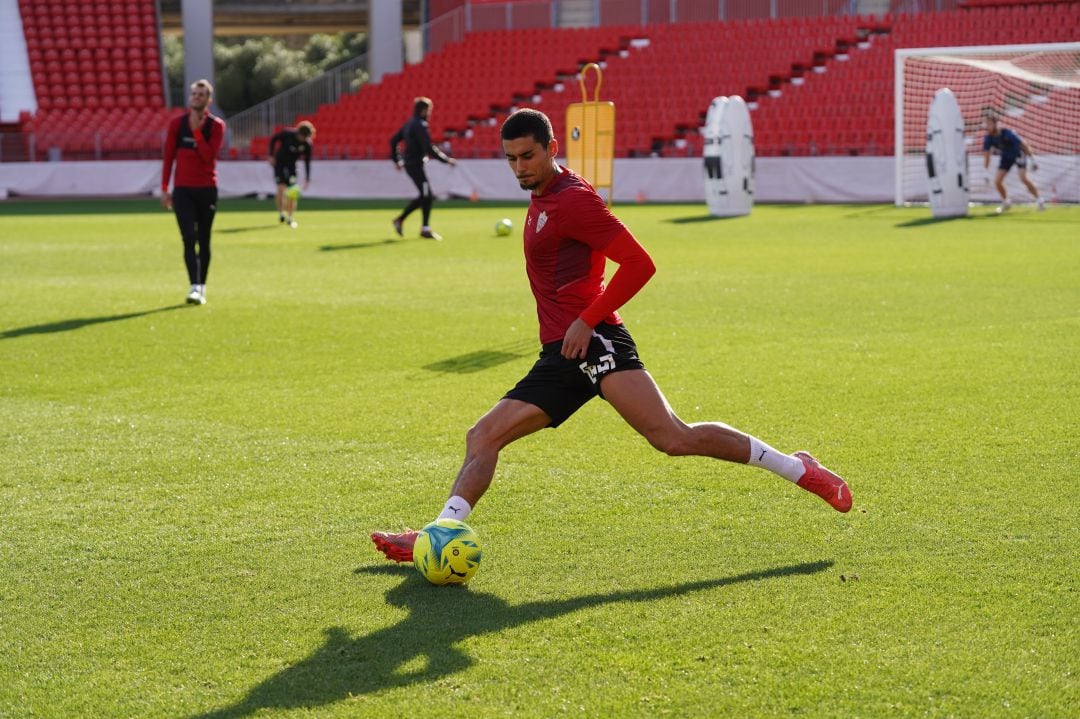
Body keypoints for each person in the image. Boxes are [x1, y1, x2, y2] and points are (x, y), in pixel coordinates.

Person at [371, 108, 852, 564]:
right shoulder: (543, 197)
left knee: (672, 437)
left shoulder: (574, 200)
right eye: (511, 159)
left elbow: (641, 263)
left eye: (529, 156)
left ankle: (797, 468)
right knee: (483, 436)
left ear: (551, 147)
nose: (520, 167)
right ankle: (439, 534)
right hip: (561, 354)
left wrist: (587, 319)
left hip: (595, 340)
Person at [161, 79, 225, 306]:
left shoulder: (216, 126)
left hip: (207, 189)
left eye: (201, 95)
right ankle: (194, 285)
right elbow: (169, 156)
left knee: (204, 239)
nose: (196, 97)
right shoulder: (177, 125)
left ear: (209, 100)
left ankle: (203, 285)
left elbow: (209, 157)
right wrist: (164, 188)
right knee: (188, 237)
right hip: (183, 190)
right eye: (194, 94)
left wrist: (198, 134)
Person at [389, 97, 456, 241]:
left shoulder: (409, 124)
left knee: (426, 196)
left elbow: (393, 140)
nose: (430, 113)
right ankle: (406, 222)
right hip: (415, 165)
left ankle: (421, 227)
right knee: (426, 195)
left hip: (411, 165)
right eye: (429, 110)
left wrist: (397, 160)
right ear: (423, 110)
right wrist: (446, 160)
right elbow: (428, 147)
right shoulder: (419, 125)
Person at [982, 115, 1044, 213]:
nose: (987, 126)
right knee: (997, 181)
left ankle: (1040, 200)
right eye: (986, 123)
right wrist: (985, 172)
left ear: (995, 123)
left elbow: (1023, 144)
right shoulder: (988, 138)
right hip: (1006, 157)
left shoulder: (1008, 133)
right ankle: (1006, 203)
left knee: (1023, 178)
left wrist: (1033, 160)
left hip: (1018, 154)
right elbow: (986, 155)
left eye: (989, 123)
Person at [268, 120, 315, 228]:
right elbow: (274, 139)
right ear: (298, 133)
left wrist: (308, 178)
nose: (303, 139)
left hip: (292, 166)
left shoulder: (307, 144)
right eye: (302, 137)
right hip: (279, 163)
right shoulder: (287, 134)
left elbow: (307, 161)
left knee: (293, 192)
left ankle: (290, 218)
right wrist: (270, 155)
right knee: (281, 188)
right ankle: (281, 213)